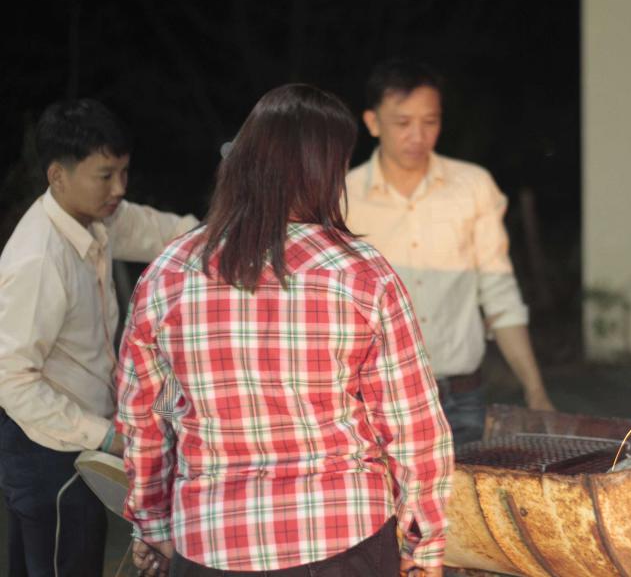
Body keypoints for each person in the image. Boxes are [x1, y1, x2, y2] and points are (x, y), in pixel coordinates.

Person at [116, 83, 454, 577]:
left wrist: (152, 522)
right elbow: (412, 424)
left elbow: (147, 416)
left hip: (211, 541)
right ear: (324, 171)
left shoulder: (168, 273)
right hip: (341, 538)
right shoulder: (361, 273)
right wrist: (423, 543)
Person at [0, 98, 199, 577]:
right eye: (105, 175)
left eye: (124, 172)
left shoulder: (97, 217)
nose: (119, 188)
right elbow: (11, 378)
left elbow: (168, 233)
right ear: (57, 176)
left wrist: (230, 236)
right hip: (48, 450)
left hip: (75, 441)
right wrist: (108, 436)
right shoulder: (39, 259)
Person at [345, 59, 555, 445]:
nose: (418, 136)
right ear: (373, 122)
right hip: (379, 398)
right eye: (402, 123)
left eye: (430, 121)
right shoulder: (344, 197)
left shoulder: (472, 186)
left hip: (462, 399)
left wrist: (535, 390)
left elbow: (499, 293)